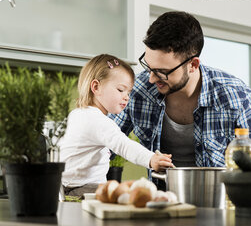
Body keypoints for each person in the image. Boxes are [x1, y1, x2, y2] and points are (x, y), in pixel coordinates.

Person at [110, 11, 251, 188]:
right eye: (149, 67)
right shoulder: (138, 91)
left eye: (162, 72)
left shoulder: (236, 97)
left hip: (219, 207)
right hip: (162, 205)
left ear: (193, 65)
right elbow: (106, 141)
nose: (151, 78)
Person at [59, 54, 174, 197]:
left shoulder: (76, 114)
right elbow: (124, 145)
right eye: (121, 90)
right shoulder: (97, 120)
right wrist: (151, 159)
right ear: (96, 87)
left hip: (65, 188)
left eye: (129, 92)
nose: (126, 97)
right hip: (85, 190)